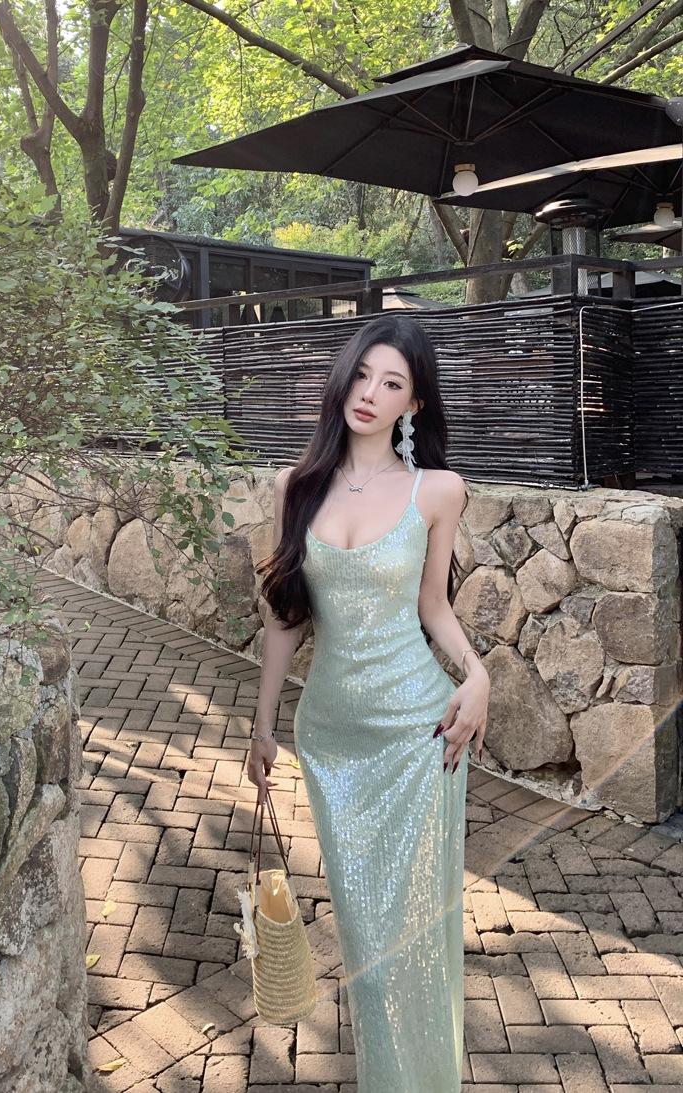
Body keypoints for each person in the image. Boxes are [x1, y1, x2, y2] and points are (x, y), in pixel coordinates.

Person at [248, 315, 491, 1092]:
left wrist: (478, 676)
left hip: (419, 738)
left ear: (413, 404)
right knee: (365, 946)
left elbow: (434, 607)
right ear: (343, 377)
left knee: (410, 945)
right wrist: (261, 726)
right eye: (362, 374)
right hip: (332, 742)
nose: (370, 393)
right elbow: (287, 617)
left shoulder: (437, 490)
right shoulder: (296, 486)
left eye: (392, 383)